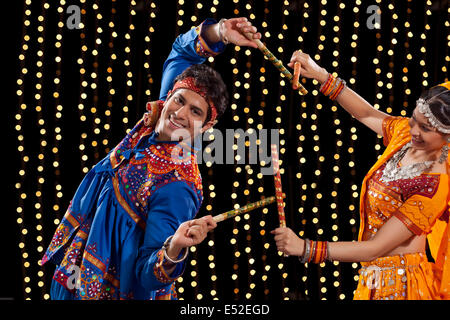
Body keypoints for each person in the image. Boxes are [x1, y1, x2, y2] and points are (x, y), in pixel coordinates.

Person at [42, 17, 261, 300]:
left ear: (206, 127)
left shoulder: (179, 185)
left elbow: (149, 277)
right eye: (179, 100)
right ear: (168, 96)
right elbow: (182, 52)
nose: (181, 114)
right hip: (74, 275)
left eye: (196, 113)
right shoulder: (159, 118)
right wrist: (219, 32)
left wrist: (172, 249)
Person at [271, 50, 450, 300]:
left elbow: (374, 249)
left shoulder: (433, 185)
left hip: (403, 288)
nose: (414, 131)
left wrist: (307, 248)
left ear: (447, 138)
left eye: (426, 128)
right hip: (373, 280)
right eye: (414, 120)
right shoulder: (404, 137)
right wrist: (322, 76)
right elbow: (367, 113)